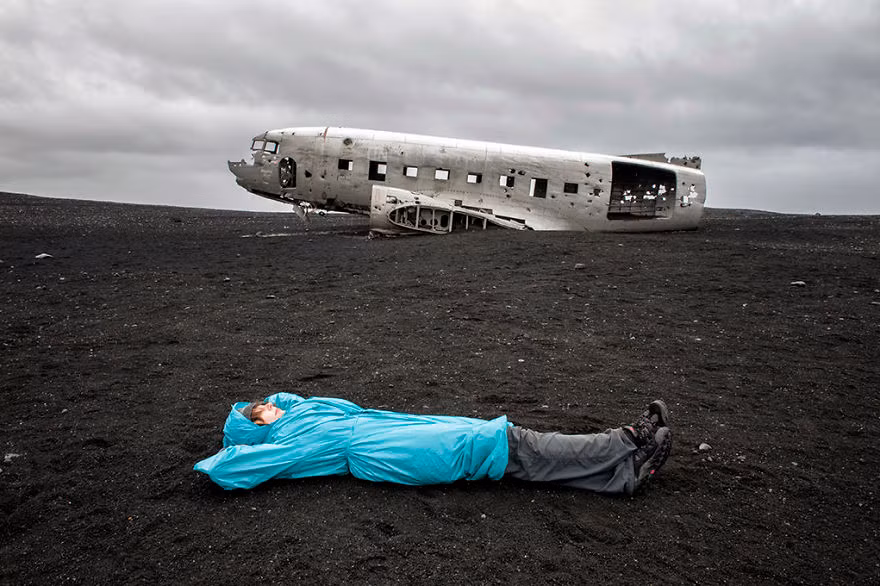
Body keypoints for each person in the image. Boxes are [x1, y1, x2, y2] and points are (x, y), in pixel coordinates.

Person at [194, 393, 672, 496]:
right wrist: (226, 454)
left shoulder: (306, 414)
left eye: (268, 405)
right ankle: (624, 441)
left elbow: (307, 401)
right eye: (262, 415)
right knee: (502, 443)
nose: (272, 410)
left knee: (509, 458)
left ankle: (625, 473)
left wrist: (282, 405)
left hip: (392, 434)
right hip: (391, 452)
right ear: (257, 428)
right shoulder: (292, 439)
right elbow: (232, 466)